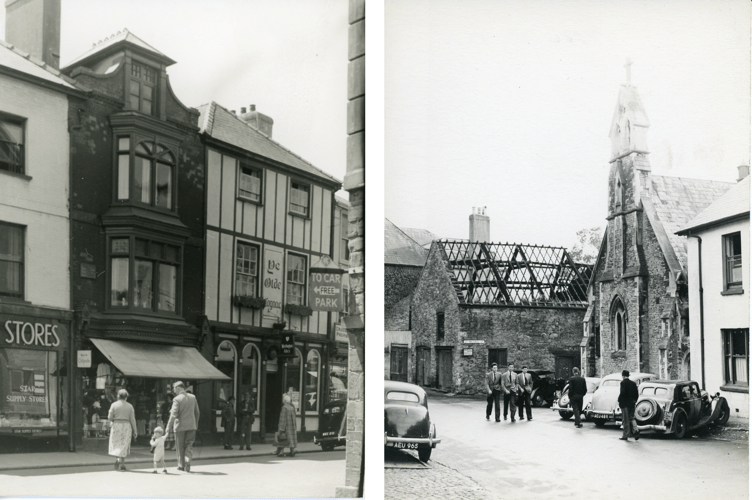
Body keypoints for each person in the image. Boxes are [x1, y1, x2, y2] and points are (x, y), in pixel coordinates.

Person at [165, 381, 200, 472]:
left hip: (180, 427)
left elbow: (173, 414)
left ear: (178, 388)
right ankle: (188, 460)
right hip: (192, 426)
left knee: (180, 446)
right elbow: (197, 413)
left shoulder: (177, 399)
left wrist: (168, 427)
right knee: (189, 445)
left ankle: (181, 465)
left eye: (174, 389)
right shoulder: (193, 397)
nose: (173, 391)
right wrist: (195, 424)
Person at [107, 389, 138, 471]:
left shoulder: (113, 405)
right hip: (126, 425)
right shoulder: (130, 406)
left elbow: (109, 417)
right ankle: (123, 464)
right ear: (126, 397)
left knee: (117, 444)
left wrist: (113, 419)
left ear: (118, 396)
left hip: (116, 425)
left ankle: (118, 459)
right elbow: (132, 419)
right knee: (125, 445)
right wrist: (135, 430)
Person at [618, 370, 640, 441]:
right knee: (632, 418)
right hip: (632, 403)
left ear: (623, 376)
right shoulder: (633, 383)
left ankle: (626, 435)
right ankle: (636, 430)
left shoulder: (623, 383)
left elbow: (622, 393)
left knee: (625, 419)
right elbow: (636, 394)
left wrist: (619, 400)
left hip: (625, 404)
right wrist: (634, 400)